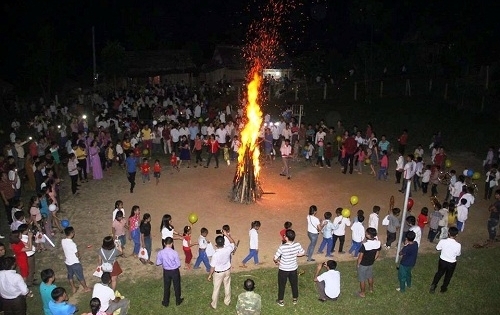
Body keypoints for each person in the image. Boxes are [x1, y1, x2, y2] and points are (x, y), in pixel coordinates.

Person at [273, 229, 305, 306]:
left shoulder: (282, 247)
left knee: (282, 285)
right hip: (293, 269)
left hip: (283, 269)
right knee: (294, 284)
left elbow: (275, 258)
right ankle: (295, 299)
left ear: (286, 238)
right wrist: (295, 254)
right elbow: (302, 252)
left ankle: (280, 300)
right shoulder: (297, 245)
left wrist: (277, 262)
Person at [208, 230, 235, 309]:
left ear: (216, 244)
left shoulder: (215, 254)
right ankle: (227, 301)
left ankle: (214, 304)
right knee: (227, 286)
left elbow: (212, 267)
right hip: (227, 271)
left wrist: (210, 275)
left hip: (218, 273)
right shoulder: (228, 249)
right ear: (224, 243)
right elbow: (233, 243)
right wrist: (226, 235)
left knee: (216, 288)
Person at [429, 227, 461, 293]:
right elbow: (458, 254)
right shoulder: (458, 245)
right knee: (448, 276)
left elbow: (437, 248)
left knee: (439, 273)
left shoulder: (443, 241)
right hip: (451, 263)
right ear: (456, 235)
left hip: (443, 260)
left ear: (448, 233)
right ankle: (443, 288)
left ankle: (433, 285)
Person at [61, 226, 91, 294]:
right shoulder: (72, 244)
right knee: (80, 276)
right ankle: (86, 288)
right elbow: (77, 254)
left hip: (68, 262)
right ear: (72, 233)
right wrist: (79, 256)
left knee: (70, 275)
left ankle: (73, 288)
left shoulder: (63, 241)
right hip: (74, 263)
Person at [156, 237, 183, 307]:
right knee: (177, 285)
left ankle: (166, 302)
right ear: (172, 243)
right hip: (174, 271)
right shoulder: (174, 253)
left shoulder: (160, 253)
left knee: (166, 286)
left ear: (164, 243)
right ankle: (178, 300)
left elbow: (158, 263)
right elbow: (178, 264)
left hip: (166, 271)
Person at [356, 228, 381, 298]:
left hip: (363, 264)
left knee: (362, 279)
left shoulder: (365, 245)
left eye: (366, 233)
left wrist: (358, 264)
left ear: (368, 235)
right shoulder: (378, 243)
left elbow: (360, 257)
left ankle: (362, 293)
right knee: (370, 276)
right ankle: (371, 289)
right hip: (371, 263)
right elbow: (377, 254)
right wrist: (373, 260)